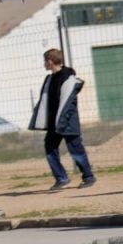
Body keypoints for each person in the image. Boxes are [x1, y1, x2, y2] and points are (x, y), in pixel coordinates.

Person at [31, 48, 96, 189]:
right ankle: (61, 178)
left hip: (67, 122)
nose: (44, 64)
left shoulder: (68, 78)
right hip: (54, 123)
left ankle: (89, 177)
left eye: (44, 61)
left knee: (76, 150)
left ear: (49, 61)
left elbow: (68, 104)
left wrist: (63, 121)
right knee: (49, 147)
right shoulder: (49, 79)